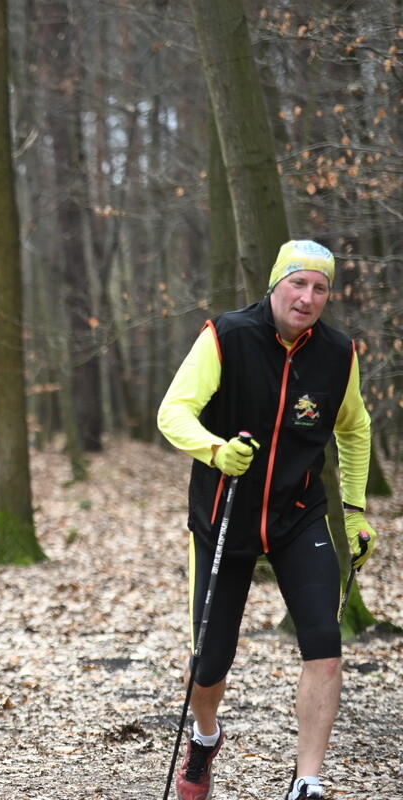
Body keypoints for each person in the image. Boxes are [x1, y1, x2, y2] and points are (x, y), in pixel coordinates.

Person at [156, 240, 376, 800]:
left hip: (298, 515)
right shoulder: (227, 335)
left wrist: (354, 510)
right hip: (224, 515)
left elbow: (354, 428)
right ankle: (205, 738)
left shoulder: (337, 353)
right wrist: (214, 450)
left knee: (324, 643)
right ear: (275, 284)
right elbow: (173, 412)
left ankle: (307, 781)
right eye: (298, 283)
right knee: (210, 662)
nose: (307, 297)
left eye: (320, 288)